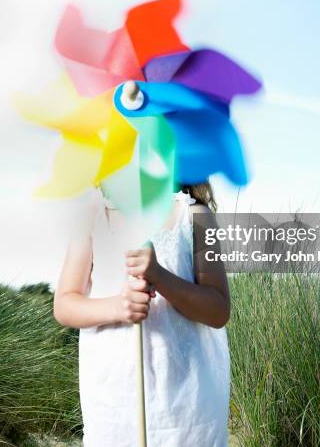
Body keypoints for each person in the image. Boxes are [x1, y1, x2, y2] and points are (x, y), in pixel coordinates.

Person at [54, 182, 231, 447]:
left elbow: (218, 310)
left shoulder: (196, 216)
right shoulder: (92, 216)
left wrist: (159, 276)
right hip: (115, 399)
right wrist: (118, 306)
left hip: (187, 402)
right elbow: (65, 305)